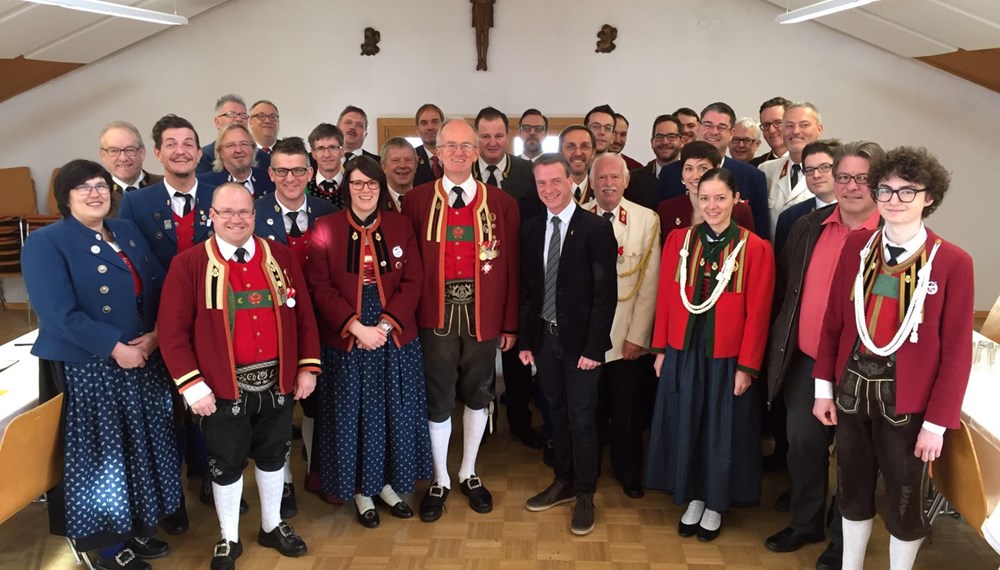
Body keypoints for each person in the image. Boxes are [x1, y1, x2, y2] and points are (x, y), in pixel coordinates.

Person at [812, 147, 974, 570]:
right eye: (885, 189)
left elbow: (957, 351)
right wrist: (822, 389)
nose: (893, 200)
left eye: (907, 191)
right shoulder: (857, 245)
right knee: (850, 488)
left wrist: (938, 423)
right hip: (850, 392)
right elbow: (833, 321)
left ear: (929, 197)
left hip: (910, 404)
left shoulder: (953, 262)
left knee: (905, 499)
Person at [23, 159, 181, 570]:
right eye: (83, 188)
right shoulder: (47, 242)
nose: (95, 193)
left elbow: (160, 284)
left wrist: (159, 333)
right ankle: (109, 544)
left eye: (100, 185)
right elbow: (57, 313)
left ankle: (140, 526)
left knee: (143, 446)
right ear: (66, 197)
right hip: (92, 366)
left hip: (144, 357)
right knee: (104, 456)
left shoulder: (125, 230)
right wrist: (115, 348)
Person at [158, 183, 321, 569]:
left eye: (244, 212)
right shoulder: (189, 264)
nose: (236, 219)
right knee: (226, 462)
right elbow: (171, 332)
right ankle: (228, 537)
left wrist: (307, 367)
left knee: (273, 455)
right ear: (210, 216)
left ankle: (272, 524)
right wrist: (192, 386)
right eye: (227, 212)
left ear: (254, 214)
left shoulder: (279, 255)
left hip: (277, 381)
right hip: (219, 389)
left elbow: (305, 317)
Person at [401, 118, 520, 523]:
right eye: (449, 145)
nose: (457, 152)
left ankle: (468, 471)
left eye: (465, 146)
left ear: (476, 152)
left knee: (478, 393)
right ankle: (440, 477)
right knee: (437, 397)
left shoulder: (502, 203)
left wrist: (508, 324)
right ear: (437, 152)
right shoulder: (416, 201)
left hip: (483, 317)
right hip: (433, 318)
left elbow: (512, 268)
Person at [646, 167, 775, 542]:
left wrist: (748, 366)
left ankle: (716, 501)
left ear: (736, 199)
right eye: (705, 198)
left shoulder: (755, 248)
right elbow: (666, 298)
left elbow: (759, 311)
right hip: (683, 350)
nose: (712, 205)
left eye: (720, 198)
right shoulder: (678, 240)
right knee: (687, 421)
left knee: (722, 428)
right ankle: (693, 496)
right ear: (695, 200)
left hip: (728, 356)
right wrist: (660, 350)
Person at [307, 156, 432, 528]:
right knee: (355, 414)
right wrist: (356, 327)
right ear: (347, 188)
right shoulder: (325, 226)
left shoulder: (401, 225)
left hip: (394, 334)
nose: (365, 190)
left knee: (394, 411)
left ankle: (389, 485)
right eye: (358, 183)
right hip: (347, 335)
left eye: (372, 184)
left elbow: (413, 281)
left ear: (381, 188)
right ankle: (362, 489)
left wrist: (386, 325)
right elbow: (320, 286)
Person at [520, 153, 617, 536]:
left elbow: (605, 294)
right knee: (554, 415)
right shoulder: (530, 229)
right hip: (545, 341)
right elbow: (529, 290)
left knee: (582, 420)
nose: (548, 189)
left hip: (582, 348)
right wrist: (527, 341)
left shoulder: (595, 228)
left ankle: (585, 492)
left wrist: (595, 348)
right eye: (541, 183)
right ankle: (563, 480)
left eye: (555, 181)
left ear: (571, 181)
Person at [583, 153, 661, 499]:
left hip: (625, 336)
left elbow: (650, 286)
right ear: (591, 181)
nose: (608, 184)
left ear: (626, 181)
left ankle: (629, 472)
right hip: (586, 338)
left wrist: (638, 337)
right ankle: (587, 471)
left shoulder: (646, 220)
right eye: (601, 178)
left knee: (627, 412)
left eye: (615, 177)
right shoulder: (578, 215)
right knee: (588, 410)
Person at [657, 102, 770, 240]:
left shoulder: (753, 176)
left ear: (731, 133)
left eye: (721, 127)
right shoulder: (669, 173)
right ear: (699, 127)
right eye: (708, 125)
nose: (714, 131)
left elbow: (760, 237)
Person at [655, 141, 755, 241]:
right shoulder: (667, 210)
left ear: (717, 168)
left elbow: (749, 247)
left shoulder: (740, 211)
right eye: (689, 169)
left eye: (703, 168)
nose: (695, 176)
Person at [759, 102, 825, 238]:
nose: (796, 131)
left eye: (804, 125)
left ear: (820, 129)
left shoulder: (834, 172)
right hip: (774, 256)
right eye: (789, 125)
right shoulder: (766, 170)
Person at [98, 121, 163, 218]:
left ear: (142, 153)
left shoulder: (165, 185)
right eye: (114, 151)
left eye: (130, 150)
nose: (123, 158)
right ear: (103, 156)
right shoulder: (96, 197)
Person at [198, 123, 275, 198]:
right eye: (231, 145)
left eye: (244, 144)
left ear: (253, 148)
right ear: (220, 152)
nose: (238, 150)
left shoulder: (270, 180)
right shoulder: (204, 184)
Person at [196, 94, 248, 174]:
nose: (238, 119)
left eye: (243, 115)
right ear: (217, 122)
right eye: (231, 114)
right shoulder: (204, 157)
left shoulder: (262, 157)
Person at [750, 97, 792, 167]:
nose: (771, 130)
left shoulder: (810, 161)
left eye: (778, 122)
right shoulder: (755, 167)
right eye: (766, 125)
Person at [413, 103, 444, 186]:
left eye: (435, 122)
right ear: (417, 128)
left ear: (443, 126)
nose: (430, 127)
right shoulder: (411, 158)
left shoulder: (456, 154)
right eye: (424, 123)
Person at [248, 100, 280, 170]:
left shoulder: (289, 151)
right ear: (250, 122)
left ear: (278, 123)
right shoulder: (243, 151)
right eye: (261, 116)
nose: (267, 121)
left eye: (272, 116)